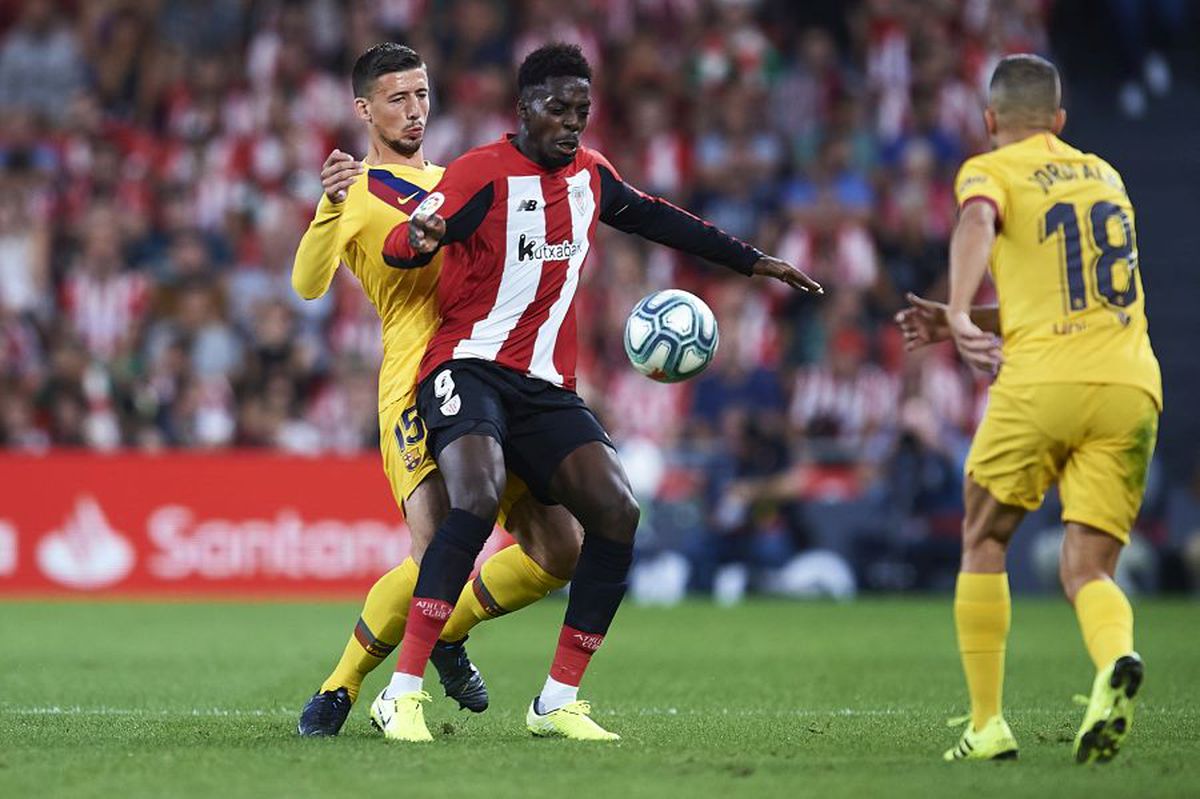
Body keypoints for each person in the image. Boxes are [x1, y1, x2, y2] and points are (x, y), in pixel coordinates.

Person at [374, 42, 820, 743]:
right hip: (466, 366)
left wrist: (751, 260)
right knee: (476, 498)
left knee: (617, 511)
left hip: (544, 385)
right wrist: (419, 239)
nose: (573, 122)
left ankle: (557, 700)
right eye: (559, 108)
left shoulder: (591, 174)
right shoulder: (479, 173)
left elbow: (660, 218)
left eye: (582, 109)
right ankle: (401, 693)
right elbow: (405, 243)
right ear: (525, 108)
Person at [290, 43, 583, 737]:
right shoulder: (356, 191)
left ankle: (447, 630)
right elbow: (306, 284)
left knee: (561, 548)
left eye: (421, 94)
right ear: (365, 110)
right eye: (397, 98)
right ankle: (341, 685)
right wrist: (329, 205)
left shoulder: (463, 178)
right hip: (414, 383)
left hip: (493, 375)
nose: (414, 110)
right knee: (434, 551)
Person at [895, 54, 1161, 764]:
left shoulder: (992, 169)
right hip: (1130, 384)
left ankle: (987, 725)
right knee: (1089, 567)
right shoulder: (1106, 176)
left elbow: (977, 221)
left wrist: (957, 310)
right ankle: (1115, 658)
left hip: (1043, 379)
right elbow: (1067, 293)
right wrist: (965, 318)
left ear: (990, 120)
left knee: (984, 536)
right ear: (1060, 121)